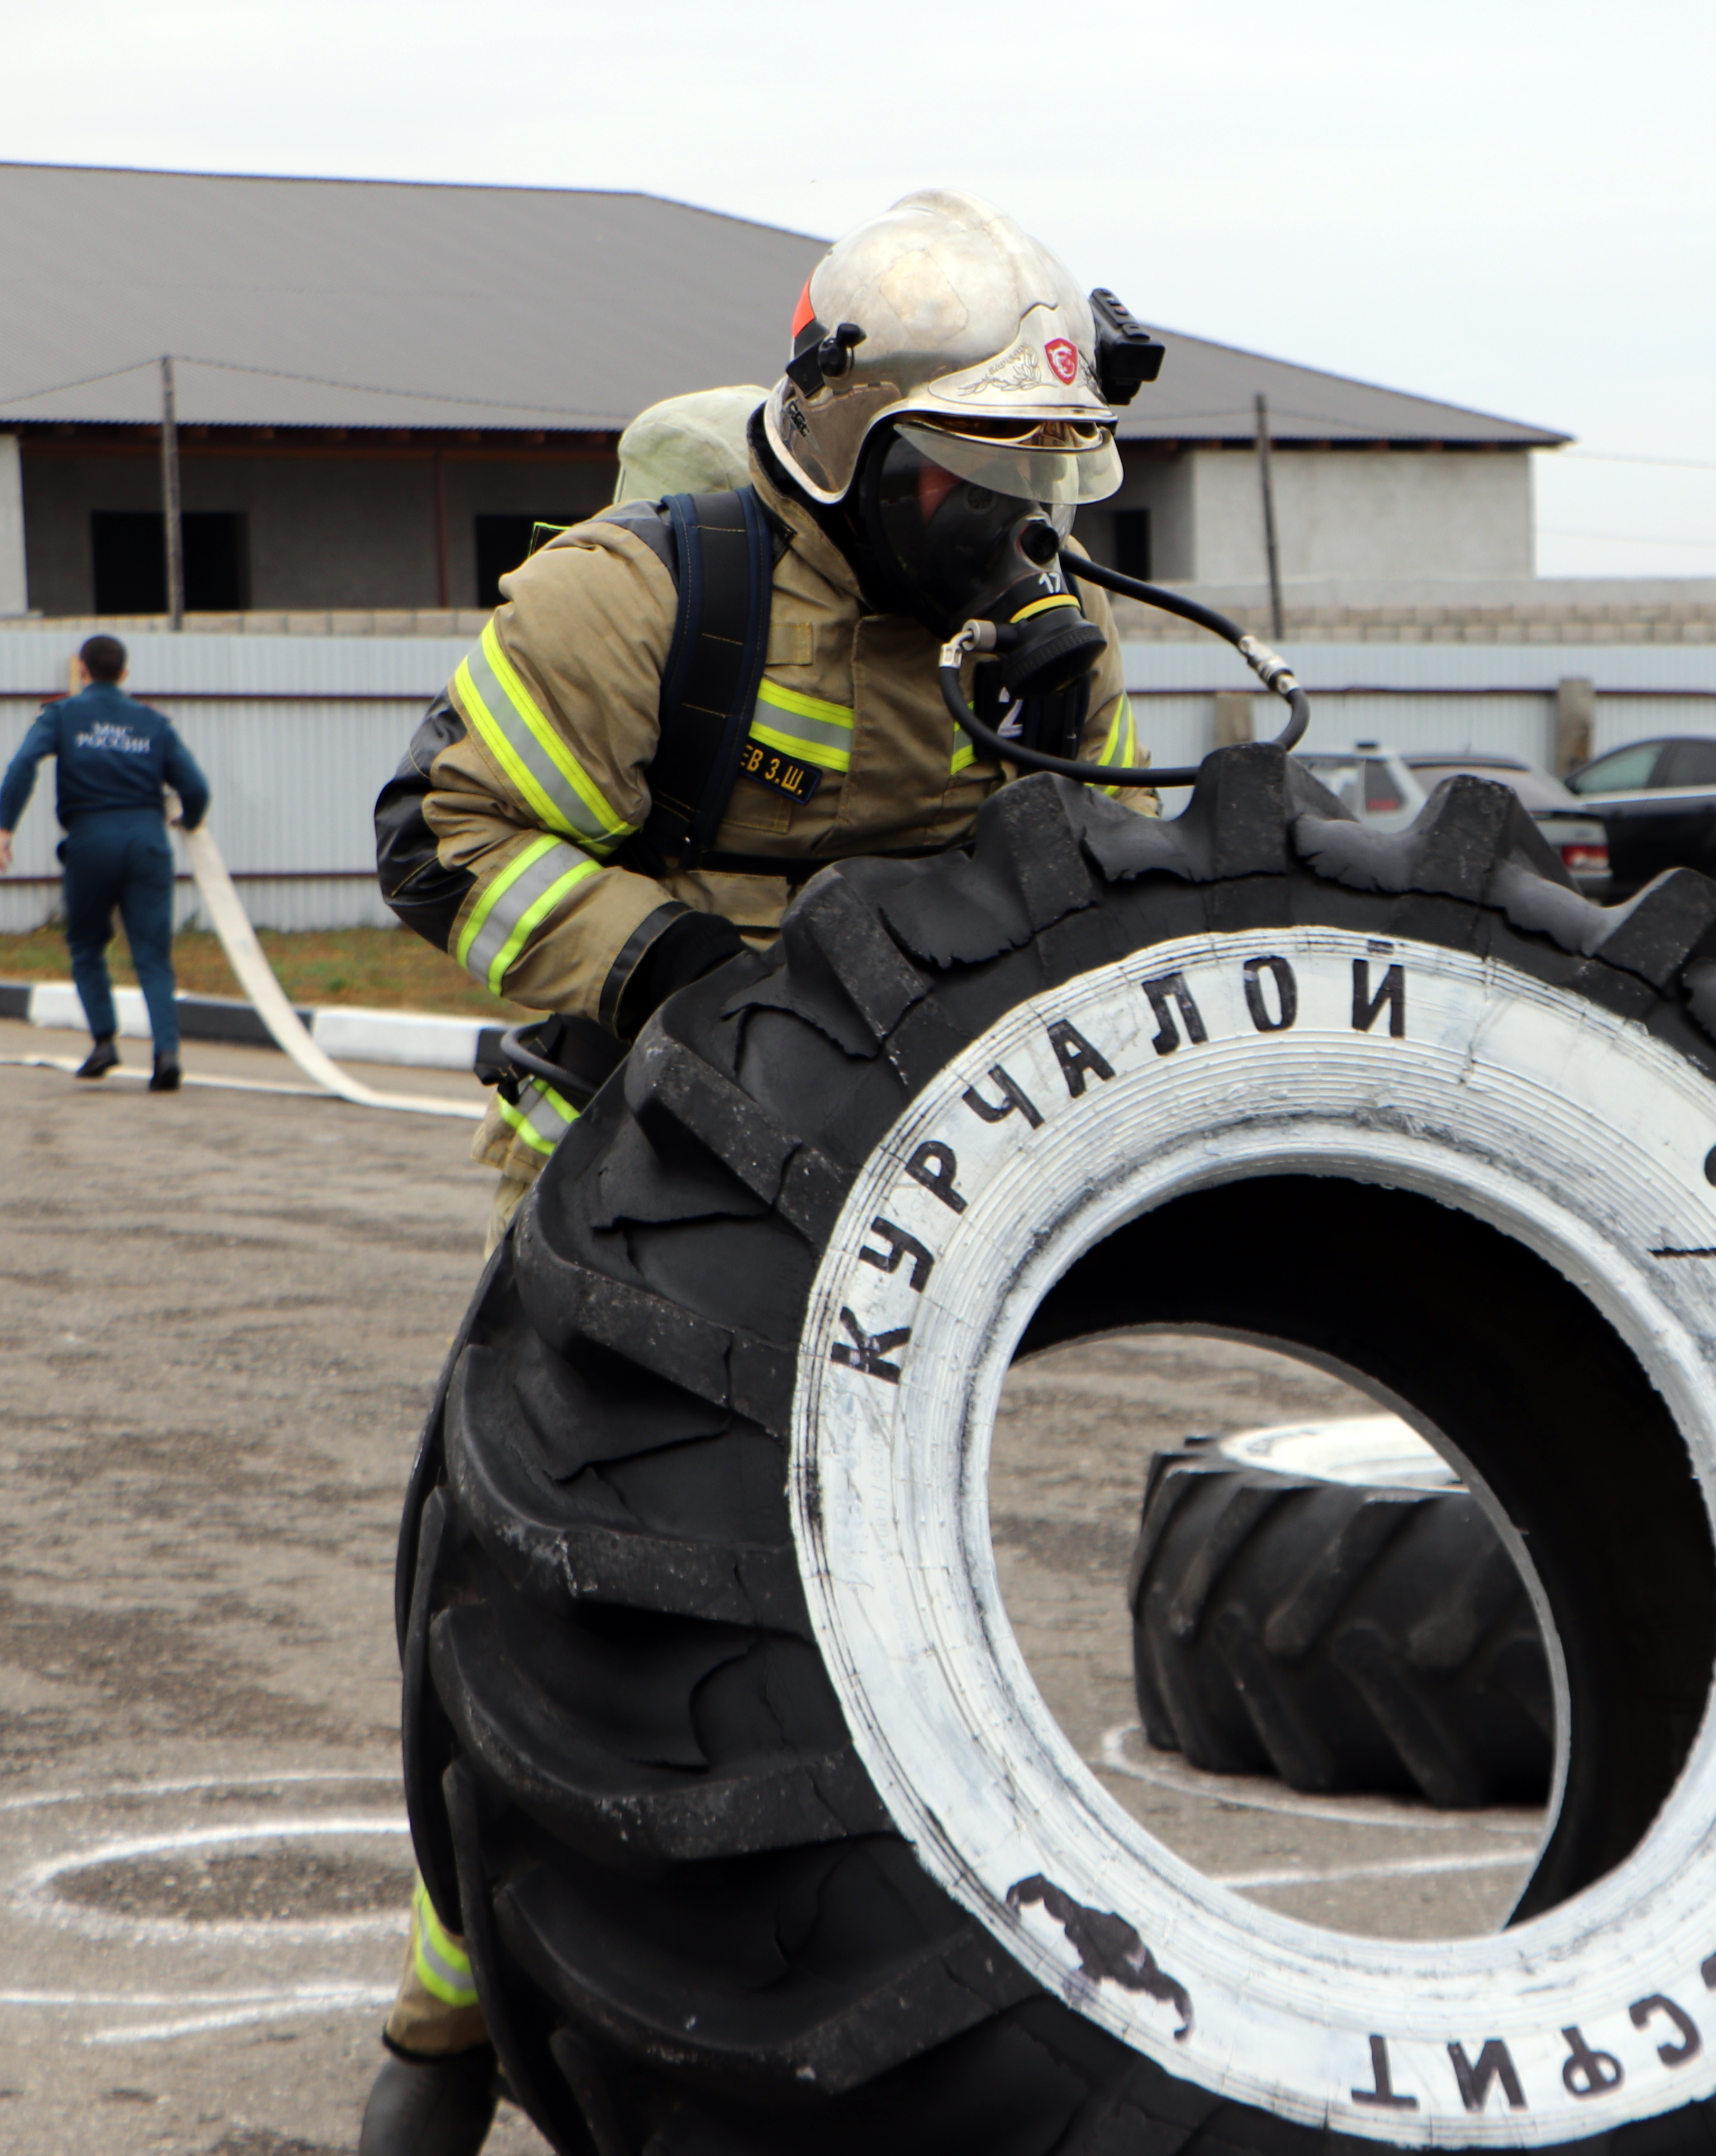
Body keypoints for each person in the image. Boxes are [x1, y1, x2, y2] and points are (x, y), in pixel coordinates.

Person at [359, 188, 1158, 2156]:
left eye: (1044, 473)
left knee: (855, 1618)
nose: (1011, 516)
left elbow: (1094, 894)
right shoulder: (634, 603)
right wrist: (667, 976)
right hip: (625, 1195)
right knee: (560, 1617)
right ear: (858, 435)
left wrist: (1074, 748)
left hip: (911, 1194)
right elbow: (441, 840)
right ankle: (442, 2040)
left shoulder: (1027, 617)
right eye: (976, 471)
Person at [0, 634, 210, 1091]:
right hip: (147, 841)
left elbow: (23, 766)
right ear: (125, 674)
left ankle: (105, 1042)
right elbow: (195, 786)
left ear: (83, 671)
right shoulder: (154, 722)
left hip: (90, 842)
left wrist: (5, 828)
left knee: (88, 944)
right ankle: (167, 1053)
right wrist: (188, 819)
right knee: (152, 953)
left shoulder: (62, 714)